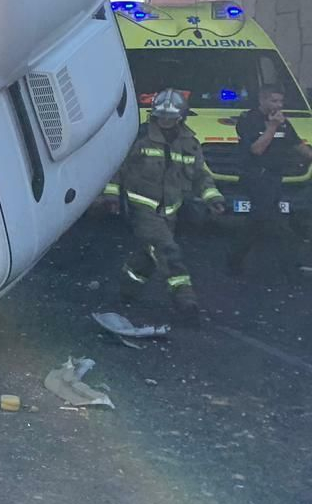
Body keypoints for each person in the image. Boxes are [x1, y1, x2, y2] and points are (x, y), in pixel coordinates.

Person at [103, 88, 225, 325]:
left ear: (181, 117)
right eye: (161, 116)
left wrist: (214, 198)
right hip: (142, 208)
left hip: (171, 211)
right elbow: (116, 168)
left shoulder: (189, 143)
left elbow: (201, 175)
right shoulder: (137, 138)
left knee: (148, 256)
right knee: (169, 252)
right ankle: (187, 304)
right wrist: (110, 197)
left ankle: (126, 291)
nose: (165, 121)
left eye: (171, 117)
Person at [231, 85, 312, 278]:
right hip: (256, 176)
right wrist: (272, 127)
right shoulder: (249, 120)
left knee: (257, 222)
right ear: (262, 100)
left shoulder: (282, 121)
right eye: (274, 101)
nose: (278, 105)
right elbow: (256, 150)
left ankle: (234, 261)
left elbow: (296, 144)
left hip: (275, 177)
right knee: (276, 223)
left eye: (280, 101)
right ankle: (293, 266)